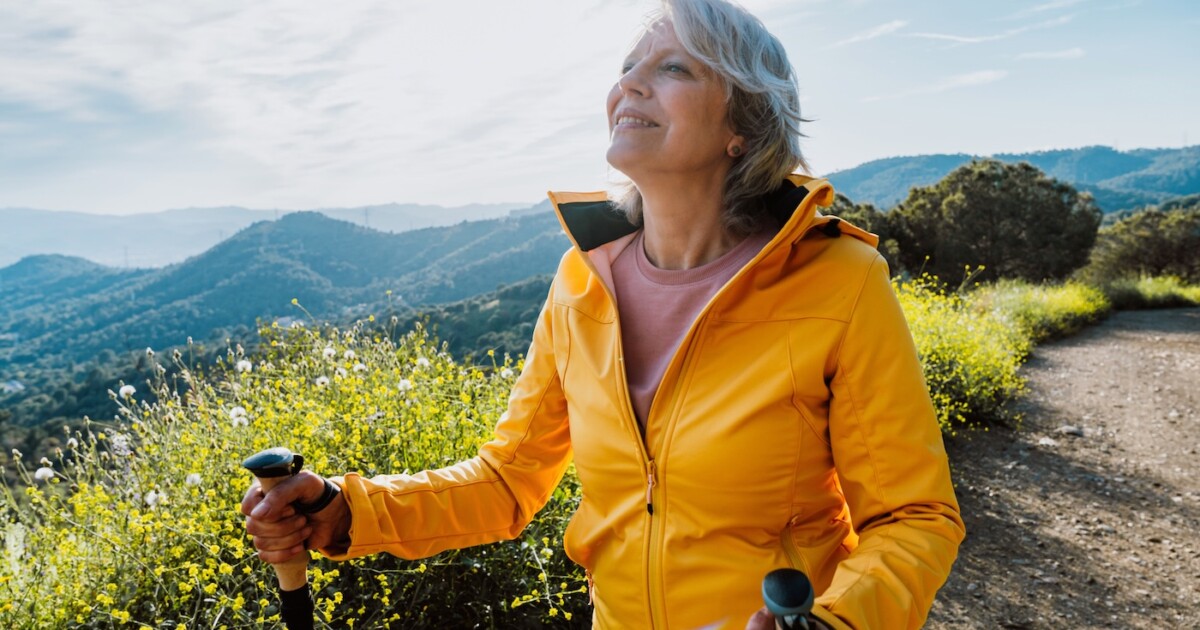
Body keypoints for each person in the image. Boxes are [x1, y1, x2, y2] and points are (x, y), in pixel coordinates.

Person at [242, 0, 965, 627]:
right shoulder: (580, 282)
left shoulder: (838, 281)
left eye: (675, 69)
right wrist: (345, 511)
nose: (629, 84)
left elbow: (912, 518)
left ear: (741, 124)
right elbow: (506, 482)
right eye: (627, 66)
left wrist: (836, 623)